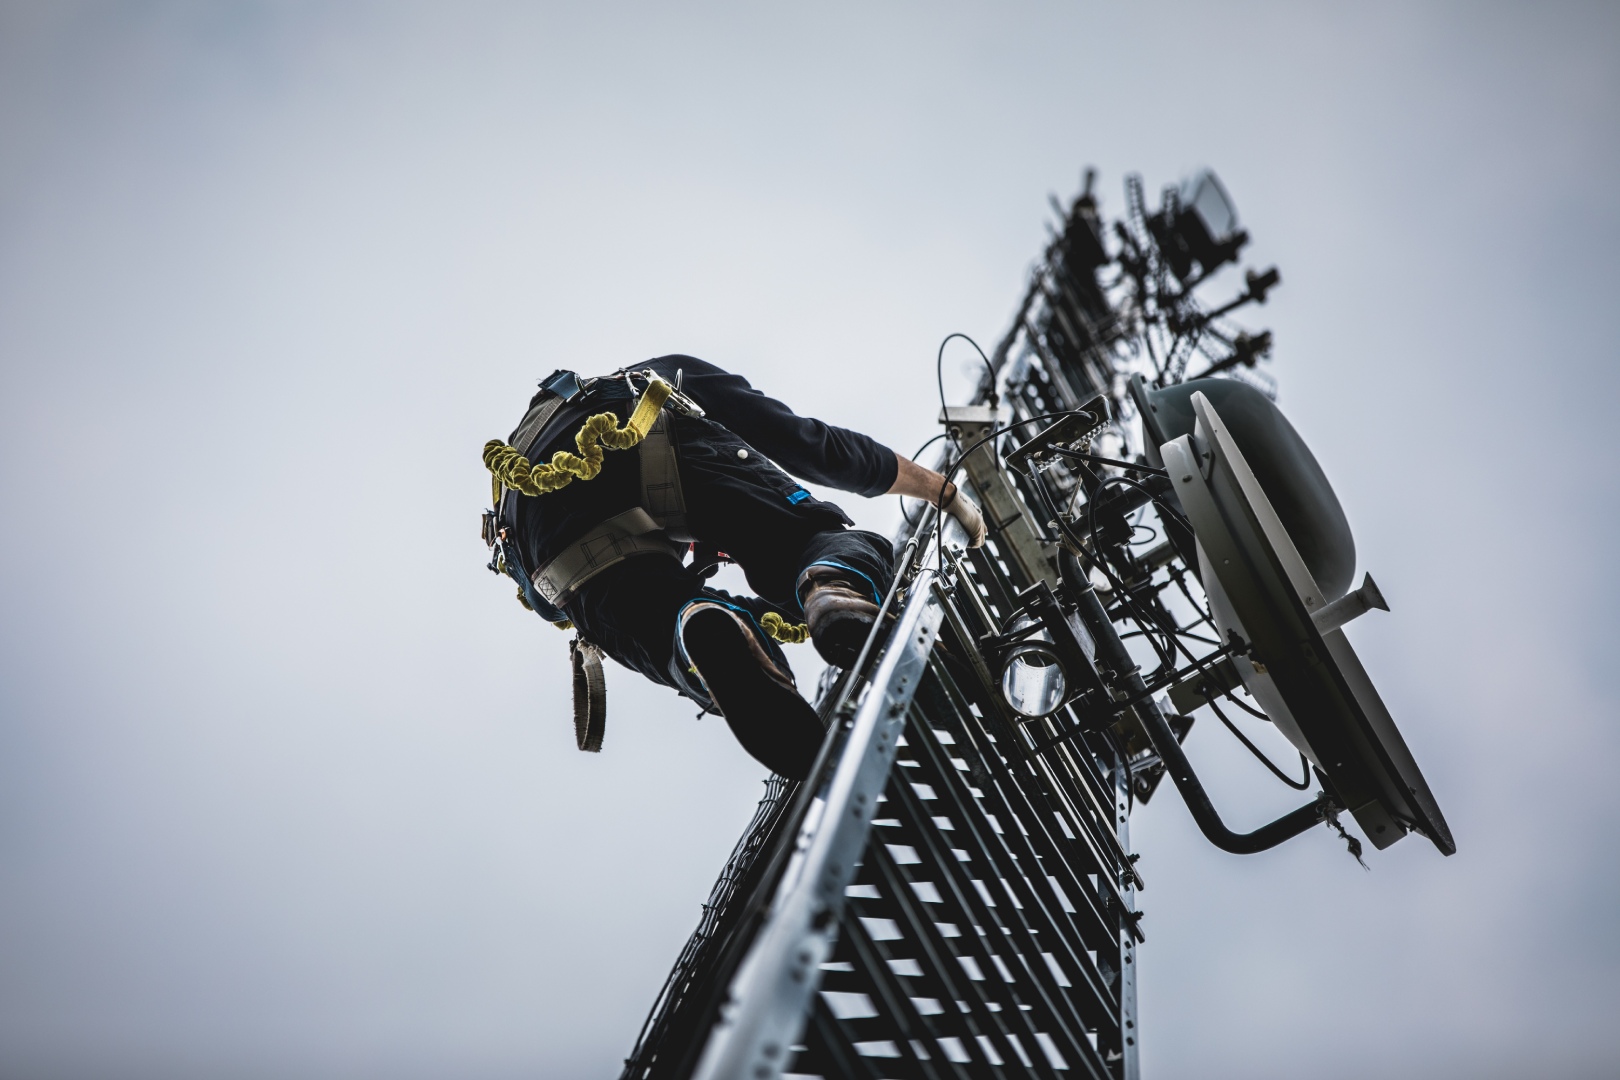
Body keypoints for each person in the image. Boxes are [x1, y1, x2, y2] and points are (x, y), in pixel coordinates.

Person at [481, 355, 986, 780]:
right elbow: (811, 445)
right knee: (806, 544)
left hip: (541, 540)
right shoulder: (657, 375)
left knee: (667, 617)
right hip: (640, 424)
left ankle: (700, 624)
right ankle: (834, 587)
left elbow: (555, 607)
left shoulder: (519, 480)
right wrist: (941, 490)